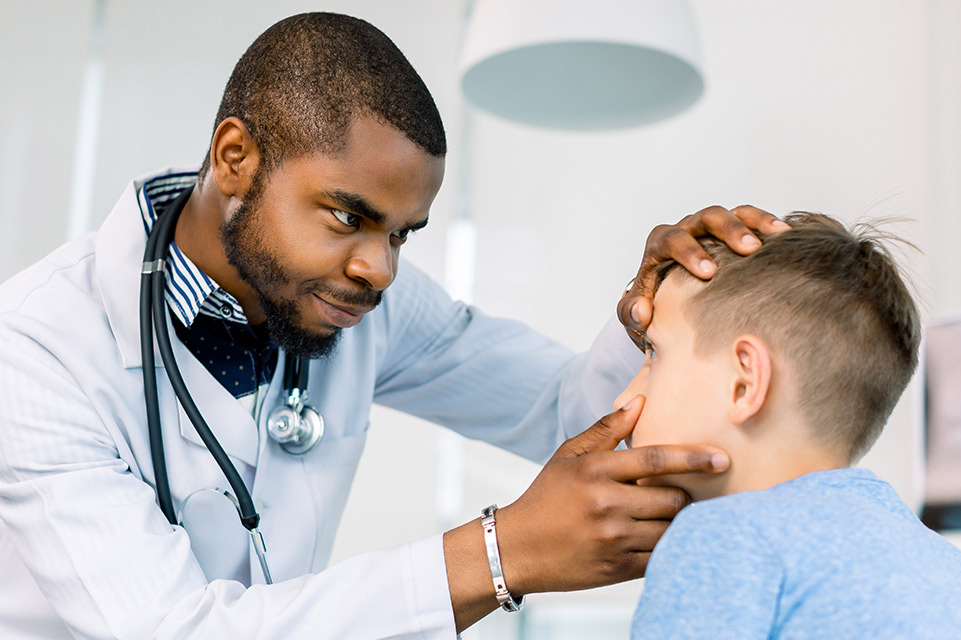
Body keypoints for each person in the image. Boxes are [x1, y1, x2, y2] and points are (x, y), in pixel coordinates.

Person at [0, 12, 784, 639]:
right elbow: (165, 629)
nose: (380, 269)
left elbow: (559, 412)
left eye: (403, 233)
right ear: (235, 156)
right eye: (348, 215)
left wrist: (646, 313)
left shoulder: (356, 301)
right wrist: (499, 553)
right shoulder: (37, 350)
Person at [617, 212, 961, 639]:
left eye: (653, 355)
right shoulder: (942, 564)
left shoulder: (722, 539)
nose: (624, 397)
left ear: (744, 382)